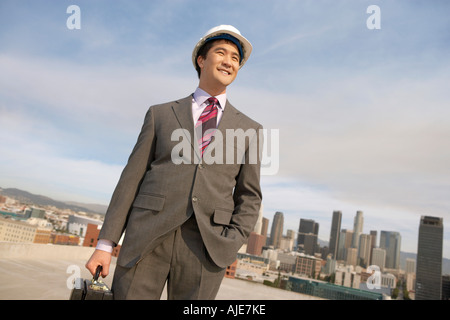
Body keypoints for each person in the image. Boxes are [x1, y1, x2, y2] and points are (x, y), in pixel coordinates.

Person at [85, 25, 263, 300]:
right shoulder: (160, 115)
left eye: (236, 58)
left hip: (206, 250)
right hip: (146, 240)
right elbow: (130, 181)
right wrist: (106, 245)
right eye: (221, 52)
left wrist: (230, 243)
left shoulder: (250, 130)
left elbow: (249, 196)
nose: (229, 61)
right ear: (201, 60)